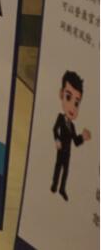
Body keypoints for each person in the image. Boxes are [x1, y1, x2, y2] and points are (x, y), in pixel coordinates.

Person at [51, 70, 92, 201]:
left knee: (66, 171)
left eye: (77, 103)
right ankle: (54, 185)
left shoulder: (72, 126)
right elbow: (54, 129)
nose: (72, 107)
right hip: (61, 149)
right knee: (58, 167)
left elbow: (76, 141)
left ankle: (62, 189)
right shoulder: (60, 118)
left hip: (68, 152)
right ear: (61, 94)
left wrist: (83, 137)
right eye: (68, 97)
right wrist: (57, 139)